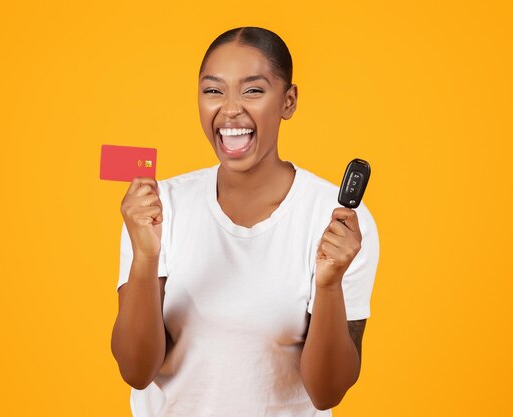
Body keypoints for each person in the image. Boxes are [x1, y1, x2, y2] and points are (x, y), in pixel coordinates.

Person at [111, 26, 380, 417]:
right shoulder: (157, 207)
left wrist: (329, 283)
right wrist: (144, 257)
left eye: (252, 90)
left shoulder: (337, 222)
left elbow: (327, 393)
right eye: (213, 91)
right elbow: (136, 371)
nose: (231, 108)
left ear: (288, 102)